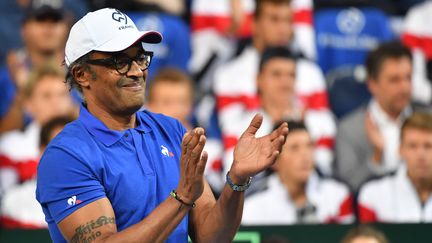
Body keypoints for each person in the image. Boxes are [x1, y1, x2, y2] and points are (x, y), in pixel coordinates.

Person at [36, 8, 288, 243]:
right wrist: (181, 198)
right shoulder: (66, 155)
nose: (136, 71)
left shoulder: (171, 130)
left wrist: (237, 180)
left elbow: (211, 236)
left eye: (140, 58)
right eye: (120, 62)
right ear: (82, 75)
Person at [213, 0, 333, 175]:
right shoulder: (228, 75)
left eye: (288, 20)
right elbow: (232, 131)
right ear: (254, 24)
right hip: (255, 178)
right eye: (275, 19)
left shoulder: (311, 72)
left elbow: (325, 130)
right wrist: (276, 120)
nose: (283, 28)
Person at [335, 41, 420, 191]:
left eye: (408, 78)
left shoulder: (427, 118)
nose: (405, 87)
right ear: (372, 84)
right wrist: (376, 158)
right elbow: (347, 188)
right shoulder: (349, 129)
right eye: (395, 80)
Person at [242, 120, 352, 225]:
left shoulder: (337, 195)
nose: (305, 155)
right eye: (294, 148)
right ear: (274, 159)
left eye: (309, 146)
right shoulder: (253, 207)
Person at [0, 61, 77, 197]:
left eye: (62, 95)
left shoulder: (89, 143)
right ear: (28, 104)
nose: (56, 103)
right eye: (46, 96)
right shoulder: (9, 148)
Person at [146, 67, 225, 194]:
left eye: (181, 102)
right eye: (167, 102)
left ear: (191, 106)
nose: (176, 110)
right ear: (149, 106)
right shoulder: (142, 148)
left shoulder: (211, 150)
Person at [0, 1, 70, 133]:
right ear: (24, 29)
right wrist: (22, 94)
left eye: (56, 19)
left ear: (66, 27)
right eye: (40, 19)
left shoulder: (82, 73)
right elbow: (3, 137)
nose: (48, 26)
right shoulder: (6, 77)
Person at [357, 112, 432, 223]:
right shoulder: (373, 194)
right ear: (400, 150)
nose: (420, 155)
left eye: (428, 146)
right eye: (412, 146)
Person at [0, 116, 73, 229]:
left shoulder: (102, 198)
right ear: (42, 150)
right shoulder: (13, 202)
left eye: (74, 147)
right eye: (59, 147)